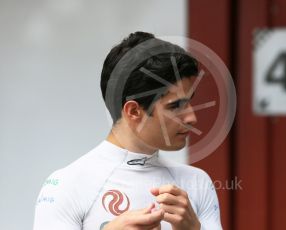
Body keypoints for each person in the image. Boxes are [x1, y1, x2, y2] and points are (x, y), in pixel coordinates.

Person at [33, 31, 222, 230]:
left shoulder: (197, 182)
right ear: (133, 111)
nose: (192, 117)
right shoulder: (65, 185)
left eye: (190, 101)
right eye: (175, 106)